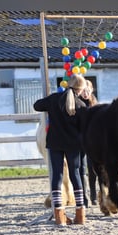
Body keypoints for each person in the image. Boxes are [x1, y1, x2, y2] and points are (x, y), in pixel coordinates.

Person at [33, 74, 87, 226]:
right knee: (75, 175)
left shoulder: (54, 99)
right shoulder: (81, 105)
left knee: (57, 175)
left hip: (55, 143)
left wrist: (49, 100)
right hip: (73, 145)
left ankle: (59, 214)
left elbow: (37, 105)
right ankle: (80, 213)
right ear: (81, 89)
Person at [79, 80, 99, 206]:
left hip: (92, 140)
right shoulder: (77, 103)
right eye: (83, 90)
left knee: (93, 169)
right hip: (80, 139)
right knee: (81, 168)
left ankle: (93, 195)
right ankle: (83, 196)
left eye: (88, 90)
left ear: (91, 90)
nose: (85, 93)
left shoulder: (95, 104)